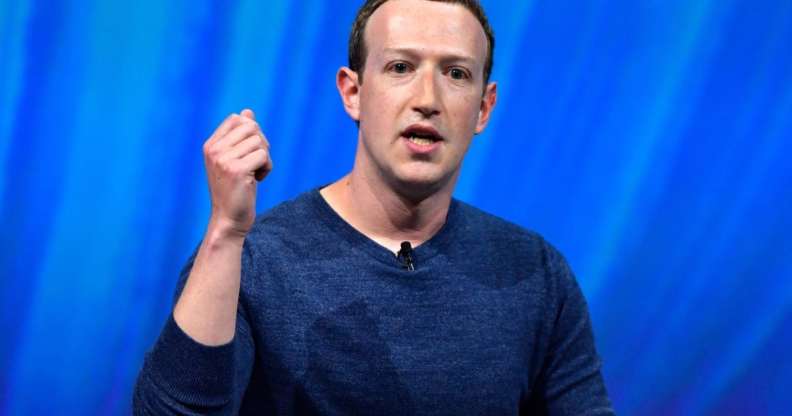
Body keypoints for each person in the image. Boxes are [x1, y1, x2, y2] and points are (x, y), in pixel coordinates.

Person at [133, 0, 614, 414]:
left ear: (484, 108)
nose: (427, 99)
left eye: (456, 73)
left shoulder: (535, 272)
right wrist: (226, 233)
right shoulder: (253, 261)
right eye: (401, 67)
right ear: (353, 92)